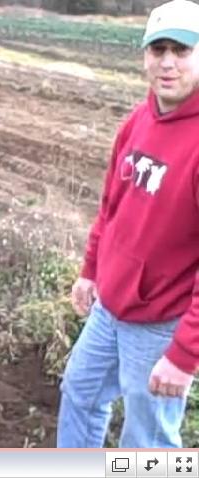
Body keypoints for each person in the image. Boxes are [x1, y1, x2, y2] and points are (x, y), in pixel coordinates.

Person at [58, 0, 199, 448]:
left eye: (182, 50)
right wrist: (90, 270)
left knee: (148, 441)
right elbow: (110, 207)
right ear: (144, 57)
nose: (168, 63)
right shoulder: (137, 121)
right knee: (78, 393)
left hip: (161, 322)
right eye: (158, 50)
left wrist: (183, 355)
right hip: (110, 308)